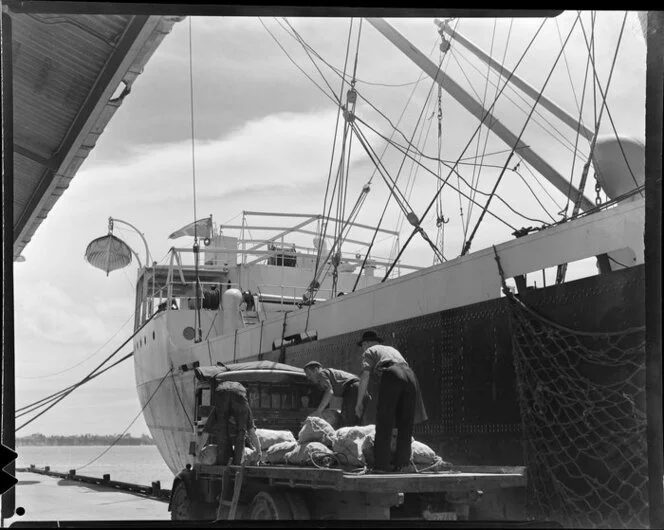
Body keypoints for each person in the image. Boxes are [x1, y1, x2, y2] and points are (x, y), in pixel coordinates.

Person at [354, 330, 428, 473]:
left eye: (362, 345)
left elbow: (365, 375)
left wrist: (359, 402)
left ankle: (381, 465)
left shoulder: (370, 350)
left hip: (392, 373)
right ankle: (403, 464)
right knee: (405, 422)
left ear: (367, 343)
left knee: (384, 421)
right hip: (411, 376)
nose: (362, 348)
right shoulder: (391, 350)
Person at [203, 381, 262, 465]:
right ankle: (236, 463)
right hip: (238, 401)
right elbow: (252, 433)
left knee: (223, 438)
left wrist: (198, 450)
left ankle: (226, 462)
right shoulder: (244, 410)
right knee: (240, 436)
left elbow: (206, 431)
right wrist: (259, 451)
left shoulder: (219, 411)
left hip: (223, 399)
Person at [303, 361, 367, 427]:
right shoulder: (327, 376)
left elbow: (329, 392)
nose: (308, 378)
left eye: (309, 374)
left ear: (316, 370)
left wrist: (318, 411)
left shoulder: (321, 374)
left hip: (353, 389)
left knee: (347, 421)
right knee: (357, 419)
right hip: (360, 388)